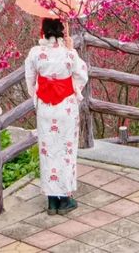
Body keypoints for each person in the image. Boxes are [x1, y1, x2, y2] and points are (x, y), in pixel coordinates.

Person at [24, 17, 89, 214]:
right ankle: (65, 199)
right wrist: (74, 90)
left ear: (43, 31)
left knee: (48, 151)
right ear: (62, 31)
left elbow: (30, 78)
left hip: (46, 108)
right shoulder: (69, 53)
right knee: (66, 151)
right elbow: (82, 76)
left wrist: (38, 94)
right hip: (66, 108)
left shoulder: (35, 53)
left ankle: (52, 201)